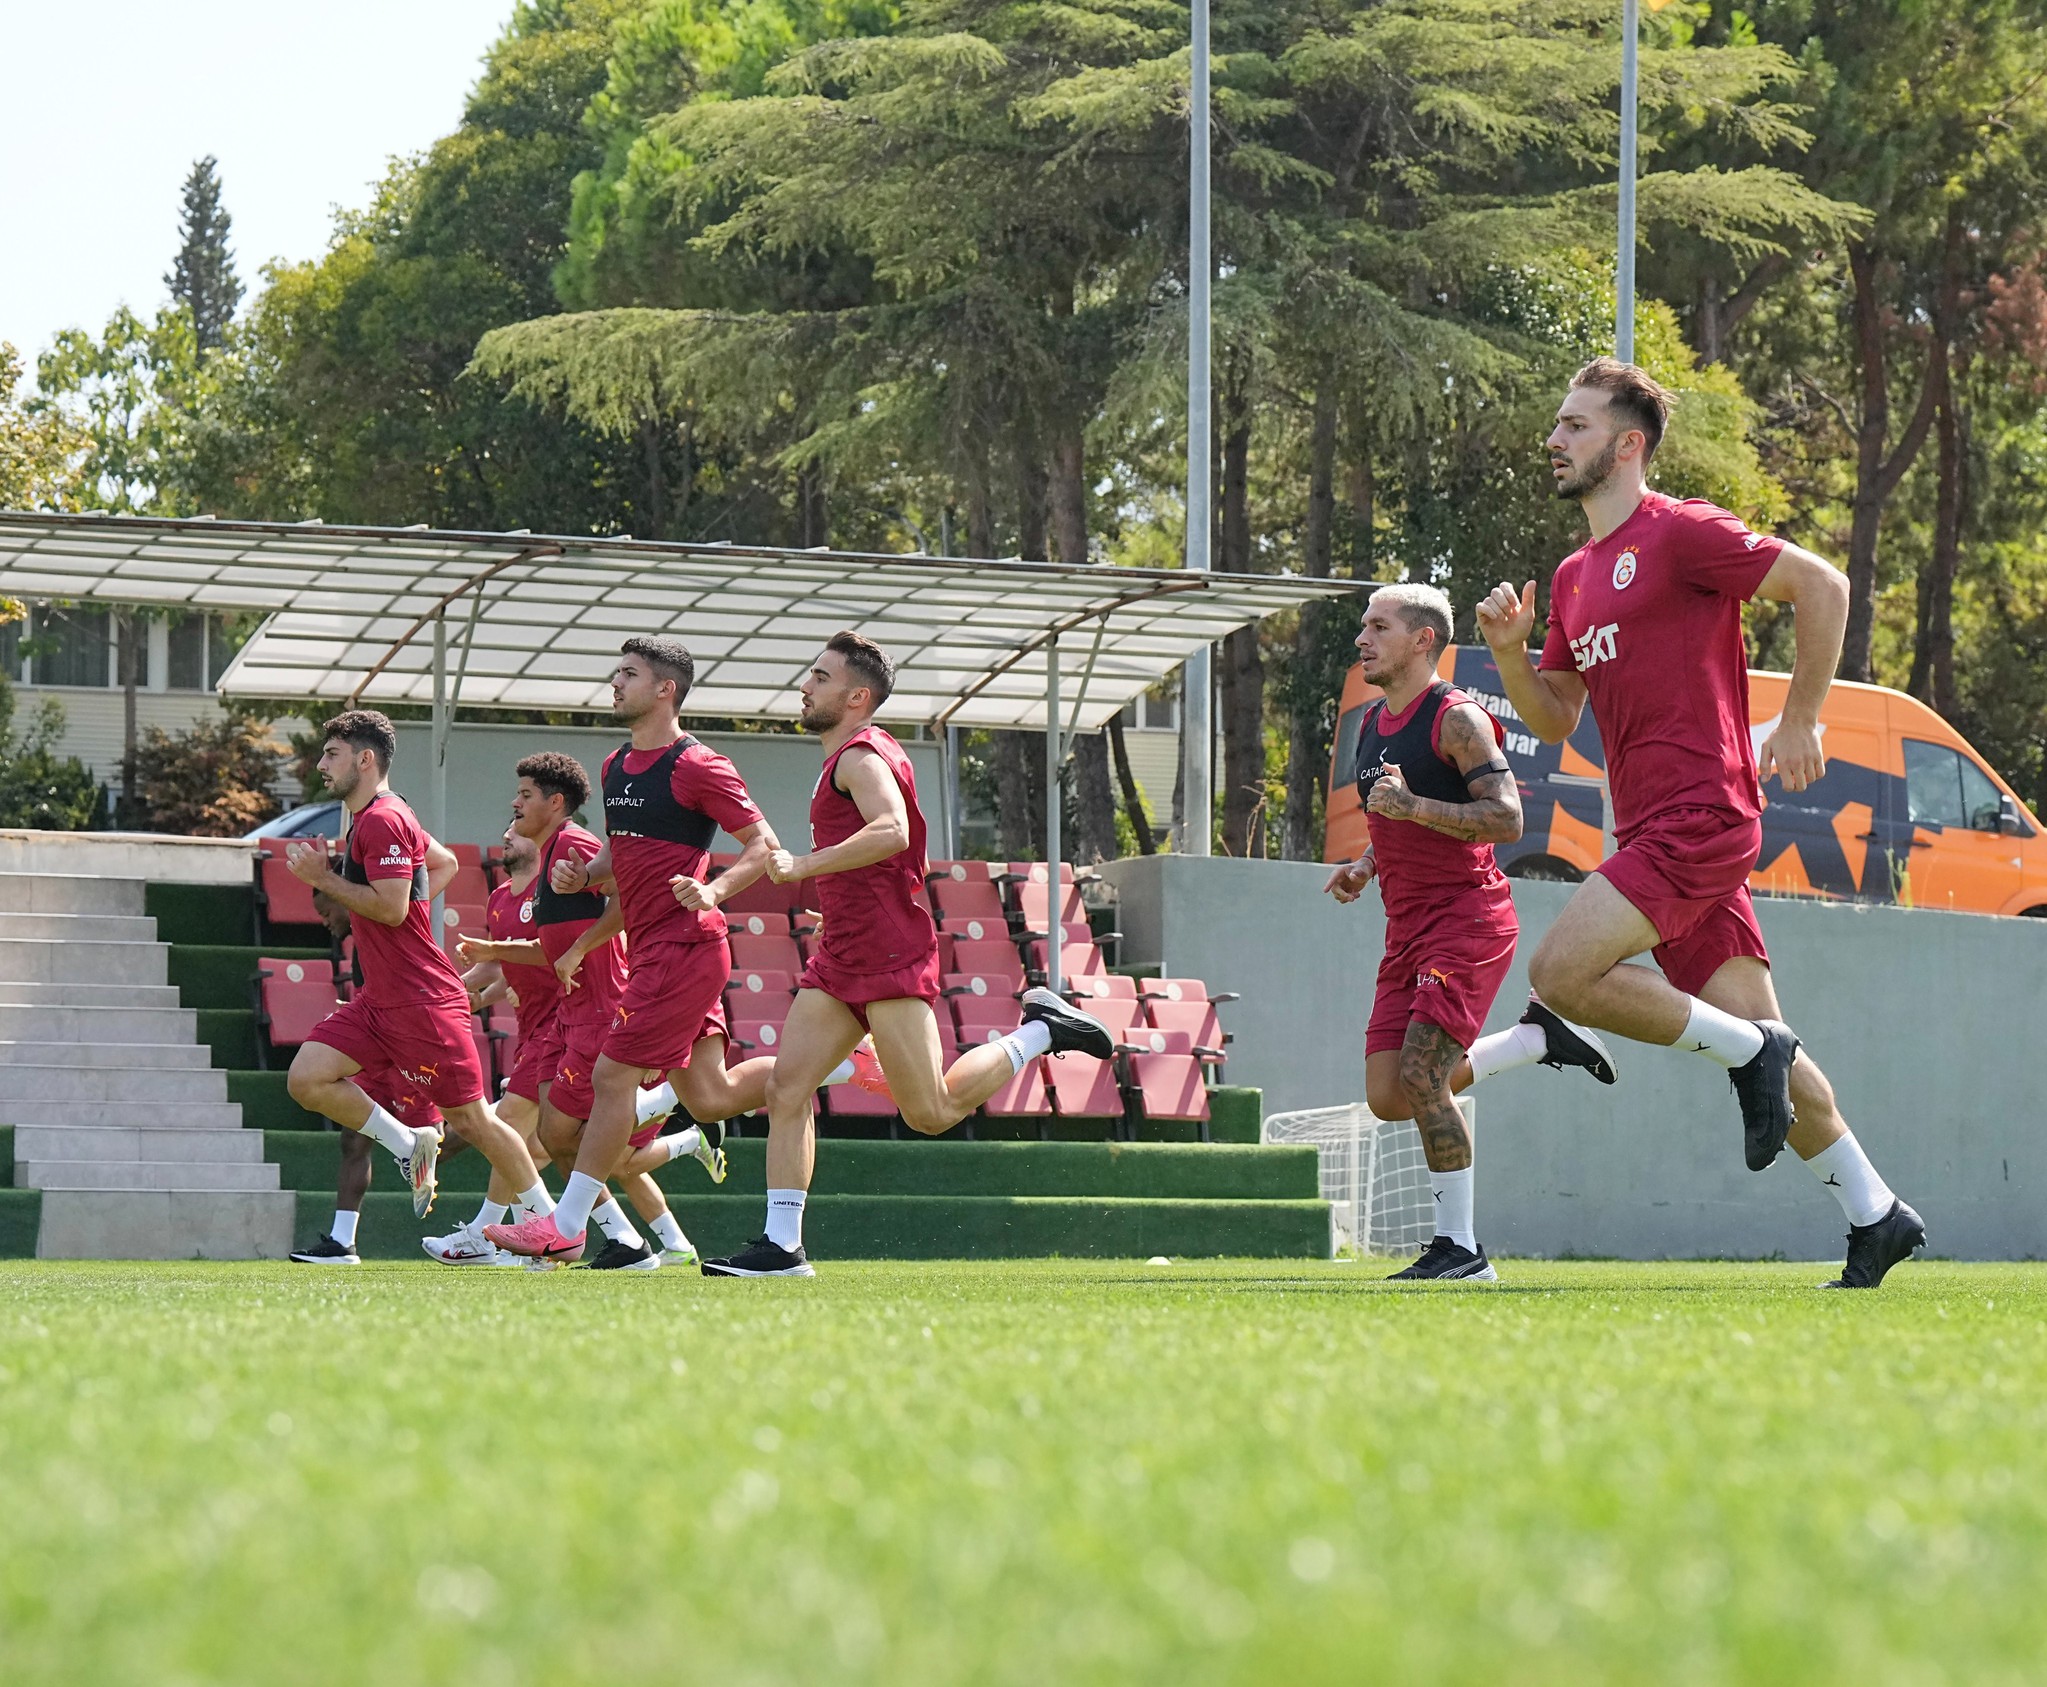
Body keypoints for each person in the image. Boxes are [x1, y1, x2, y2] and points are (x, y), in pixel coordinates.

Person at [1476, 356, 1924, 1288]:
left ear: (1628, 444)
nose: (1553, 440)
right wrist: (1511, 656)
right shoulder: (1570, 576)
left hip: (1702, 813)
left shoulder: (1679, 533)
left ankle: (1750, 1052)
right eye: (1557, 425)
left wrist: (1801, 715)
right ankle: (1875, 1212)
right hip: (1650, 832)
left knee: (1561, 972)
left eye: (1575, 425)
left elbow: (1822, 587)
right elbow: (1557, 715)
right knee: (1772, 1048)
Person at [701, 631, 1113, 1279]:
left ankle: (1041, 1029)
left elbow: (890, 830)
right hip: (844, 949)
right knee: (787, 1085)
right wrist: (829, 893)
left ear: (856, 696)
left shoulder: (860, 756)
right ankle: (781, 1247)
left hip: (888, 950)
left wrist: (804, 865)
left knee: (930, 1111)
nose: (804, 686)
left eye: (819, 675)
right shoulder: (857, 753)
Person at [1324, 585, 1619, 1281]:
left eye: (1377, 626)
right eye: (1363, 626)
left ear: (1422, 640)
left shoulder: (1456, 719)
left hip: (1466, 918)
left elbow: (1508, 818)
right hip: (1405, 928)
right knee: (1389, 1094)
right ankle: (1537, 1038)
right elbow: (1391, 816)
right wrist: (1365, 864)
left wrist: (1412, 806)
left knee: (1423, 1074)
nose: (1361, 638)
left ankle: (1459, 1250)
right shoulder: (1370, 723)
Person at [487, 641, 805, 1265]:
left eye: (628, 674)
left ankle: (568, 1226)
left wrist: (711, 890)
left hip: (684, 948)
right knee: (709, 1097)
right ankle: (838, 1063)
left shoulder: (700, 765)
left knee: (611, 1079)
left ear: (666, 690)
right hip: (655, 951)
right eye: (616, 672)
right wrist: (591, 874)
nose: (615, 682)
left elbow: (764, 848)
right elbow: (625, 853)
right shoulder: (614, 766)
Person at [282, 710, 556, 1225]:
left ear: (365, 760)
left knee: (474, 1123)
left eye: (331, 754)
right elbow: (444, 862)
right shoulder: (383, 815)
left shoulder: (384, 819)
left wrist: (323, 877)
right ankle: (410, 1145)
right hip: (379, 1000)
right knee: (307, 1078)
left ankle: (554, 1226)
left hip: (421, 999)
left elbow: (391, 908)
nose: (321, 765)